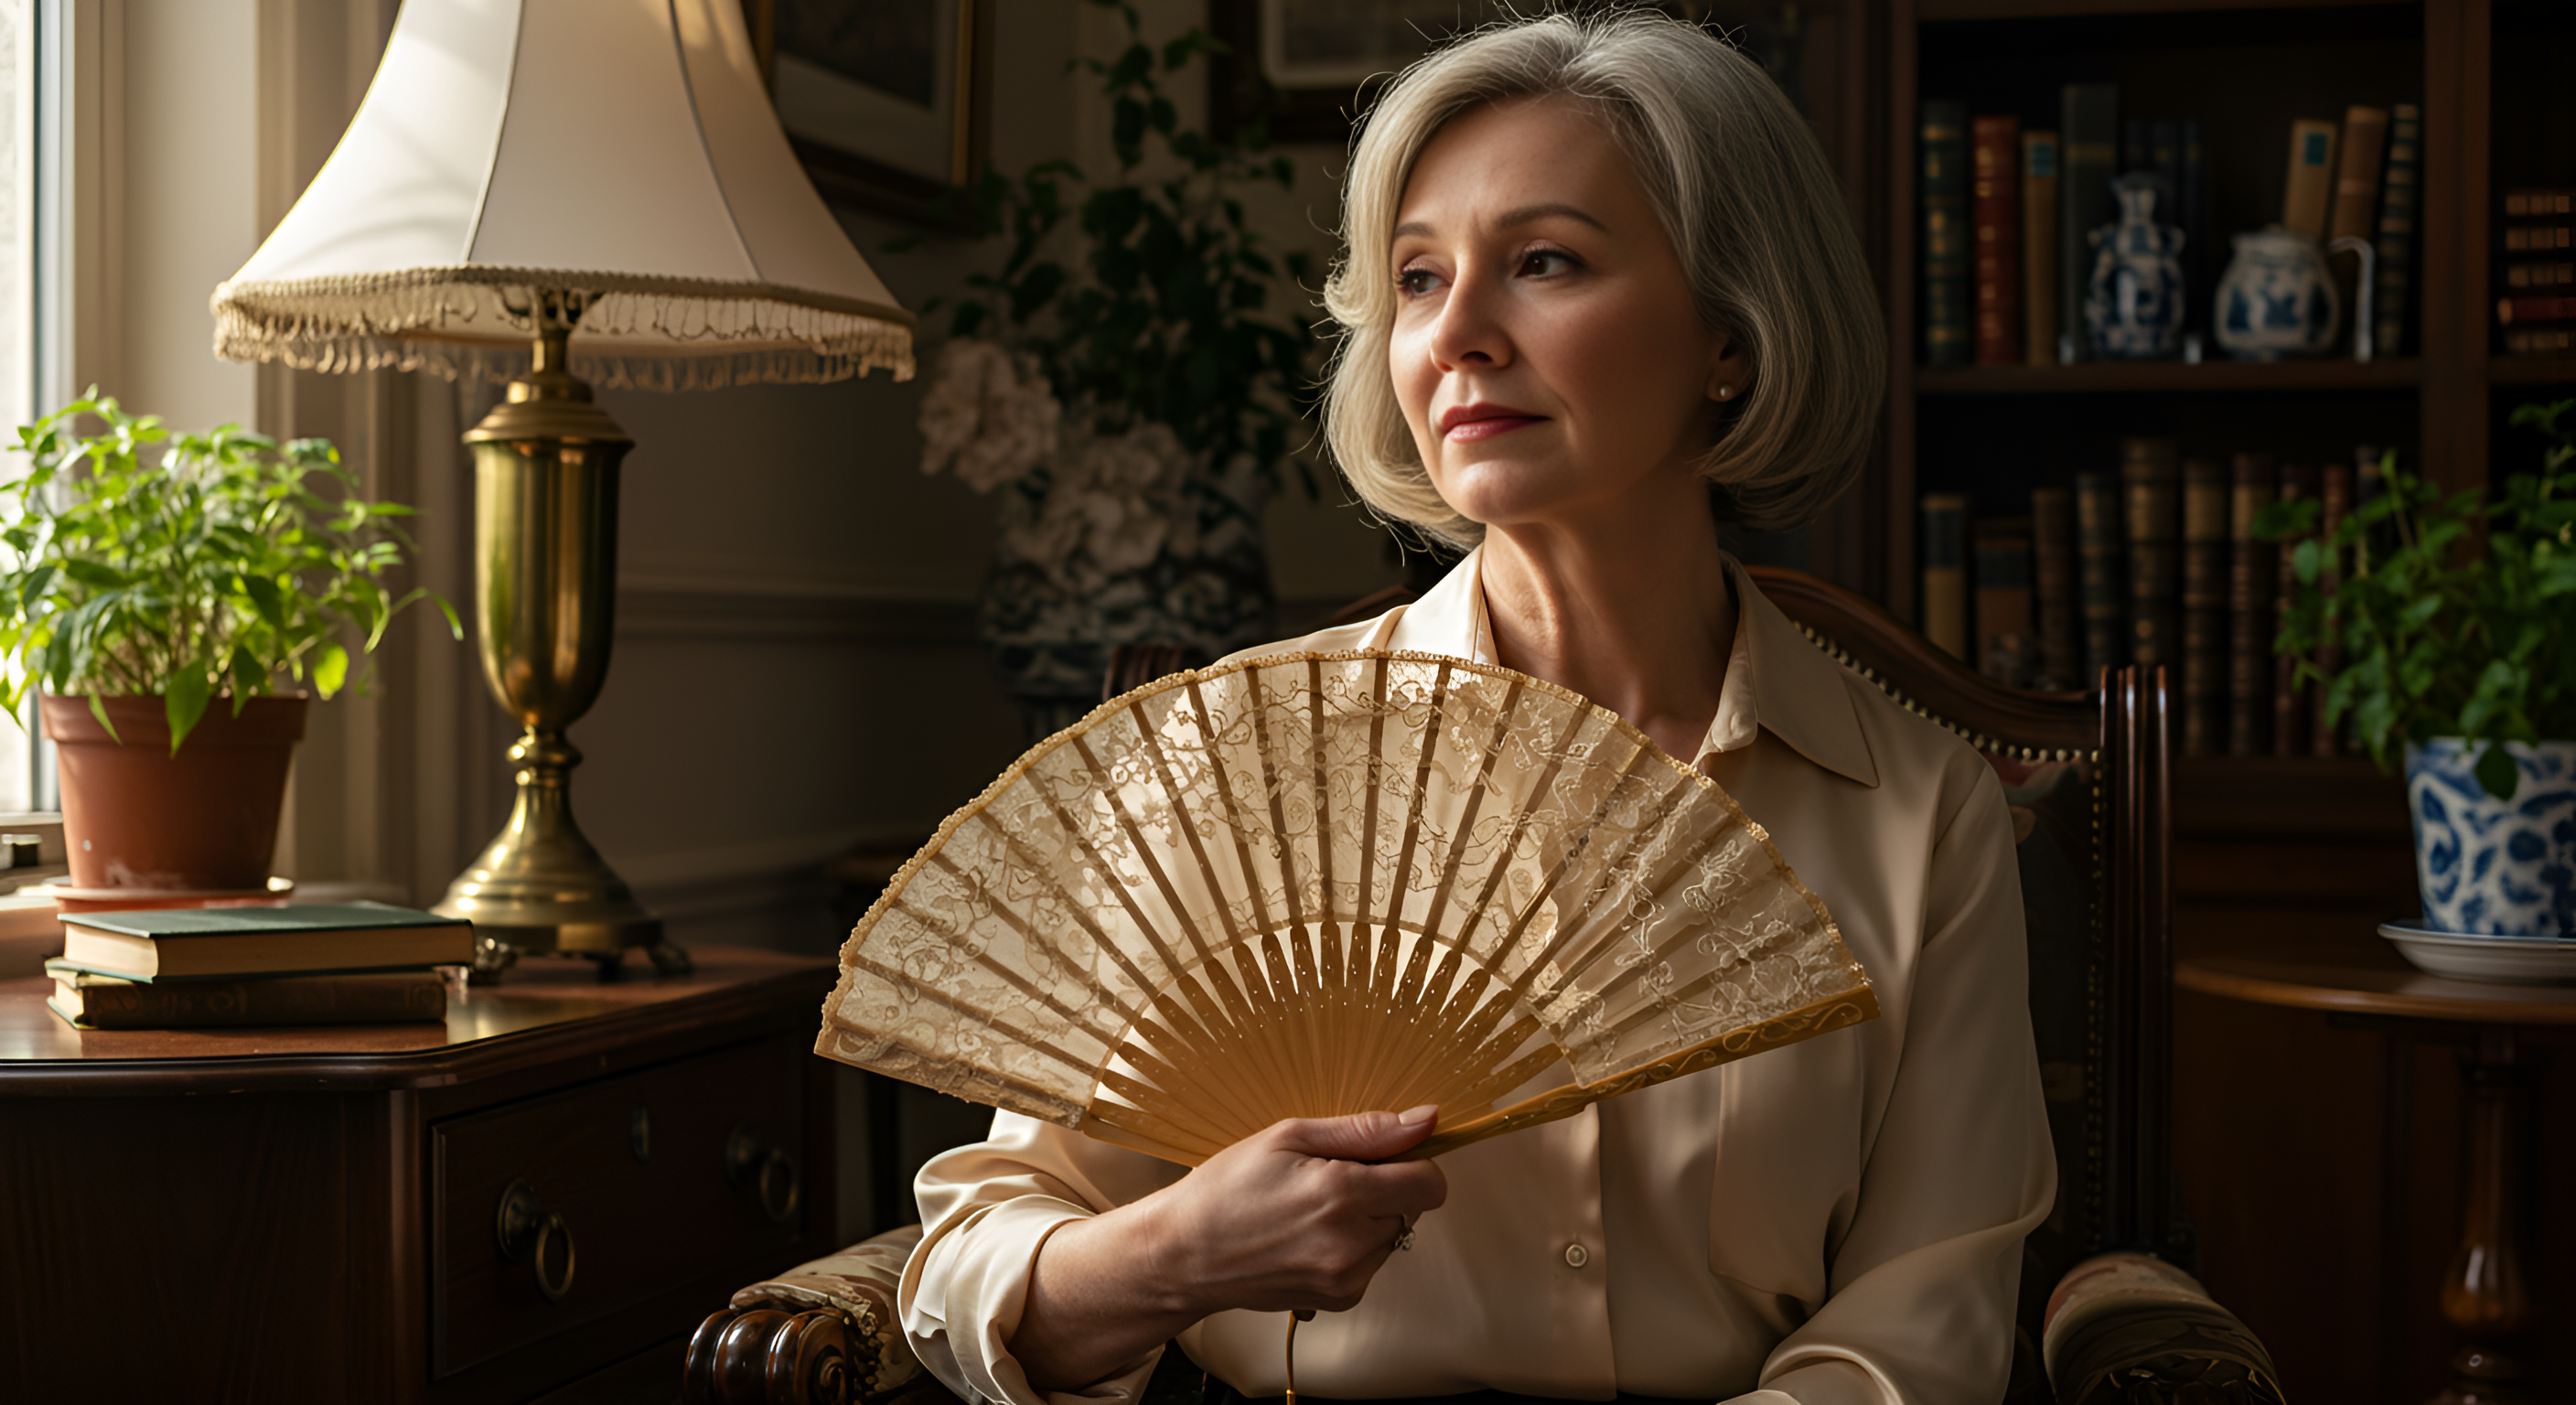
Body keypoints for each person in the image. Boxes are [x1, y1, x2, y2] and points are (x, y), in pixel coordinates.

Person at [902, 13, 2054, 1404]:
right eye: (1418, 278)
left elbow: (1917, 1334)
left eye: (1544, 263)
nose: (1453, 334)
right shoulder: (1229, 761)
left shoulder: (1922, 816)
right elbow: (975, 1267)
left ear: (1731, 337)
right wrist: (1178, 1250)